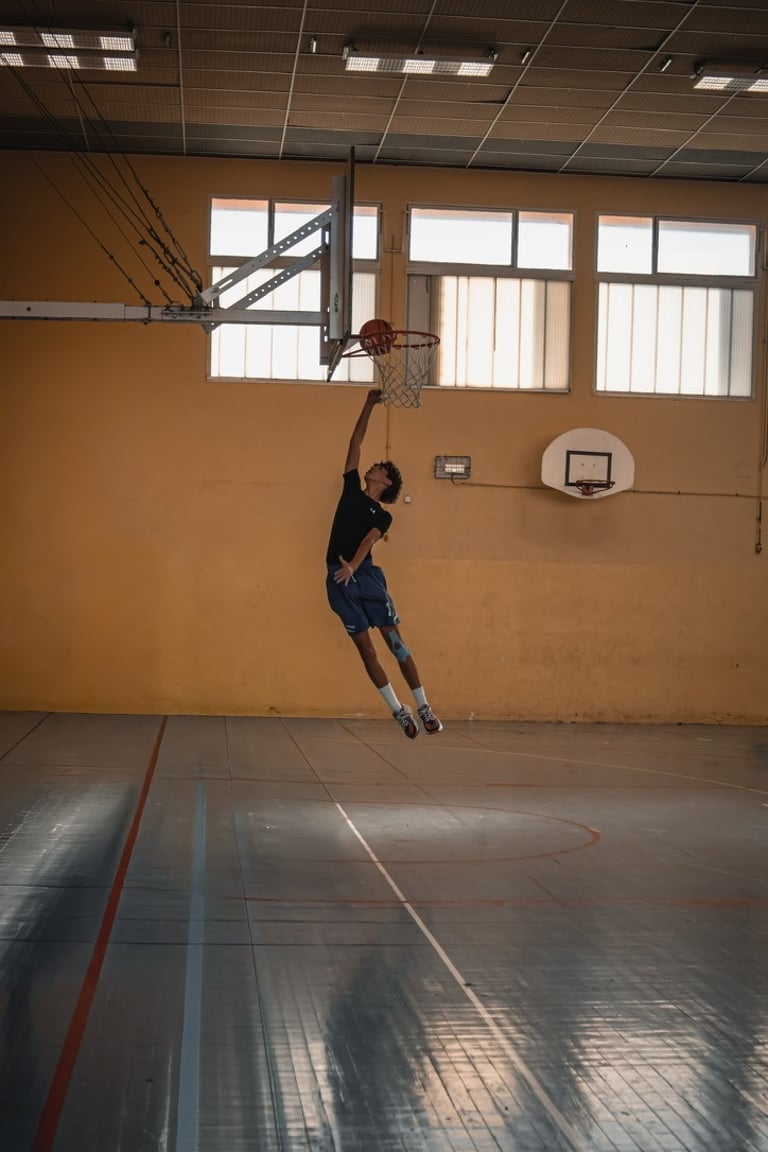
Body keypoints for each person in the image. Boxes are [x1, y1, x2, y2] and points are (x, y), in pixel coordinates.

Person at [325, 388, 442, 738]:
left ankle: (423, 706)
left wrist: (353, 566)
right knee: (366, 650)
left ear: (386, 481)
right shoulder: (350, 489)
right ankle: (399, 711)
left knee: (395, 644)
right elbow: (355, 441)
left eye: (379, 468)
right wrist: (368, 404)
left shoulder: (383, 515)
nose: (372, 466)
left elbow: (368, 541)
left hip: (364, 576)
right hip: (338, 578)